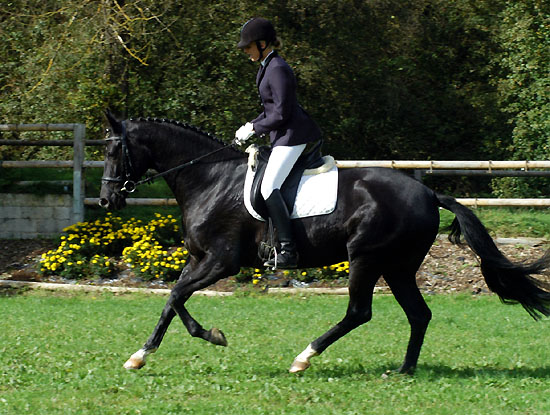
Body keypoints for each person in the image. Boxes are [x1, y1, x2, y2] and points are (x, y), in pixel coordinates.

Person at [235, 17, 322, 269]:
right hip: (282, 136)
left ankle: (288, 249)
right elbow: (269, 109)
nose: (245, 51)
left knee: (268, 187)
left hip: (293, 136)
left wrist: (255, 128)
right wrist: (251, 124)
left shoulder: (278, 69)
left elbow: (282, 113)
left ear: (262, 43)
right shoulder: (266, 66)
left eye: (248, 46)